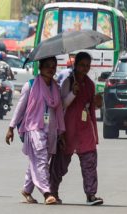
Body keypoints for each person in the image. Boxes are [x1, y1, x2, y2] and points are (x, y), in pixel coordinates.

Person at [5, 56, 66, 205]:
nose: (51, 69)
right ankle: (47, 192)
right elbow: (20, 107)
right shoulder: (30, 85)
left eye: (53, 66)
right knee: (41, 159)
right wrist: (11, 127)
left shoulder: (55, 88)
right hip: (33, 128)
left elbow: (58, 110)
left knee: (39, 160)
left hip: (51, 129)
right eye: (47, 66)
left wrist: (61, 132)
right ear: (40, 67)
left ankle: (27, 190)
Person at [50, 52, 104, 206]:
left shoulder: (90, 84)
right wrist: (73, 92)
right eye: (82, 65)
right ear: (76, 65)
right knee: (61, 162)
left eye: (87, 65)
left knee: (89, 160)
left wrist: (97, 101)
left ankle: (91, 194)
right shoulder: (67, 82)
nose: (84, 68)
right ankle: (53, 191)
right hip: (68, 127)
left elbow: (91, 106)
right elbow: (62, 105)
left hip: (85, 127)